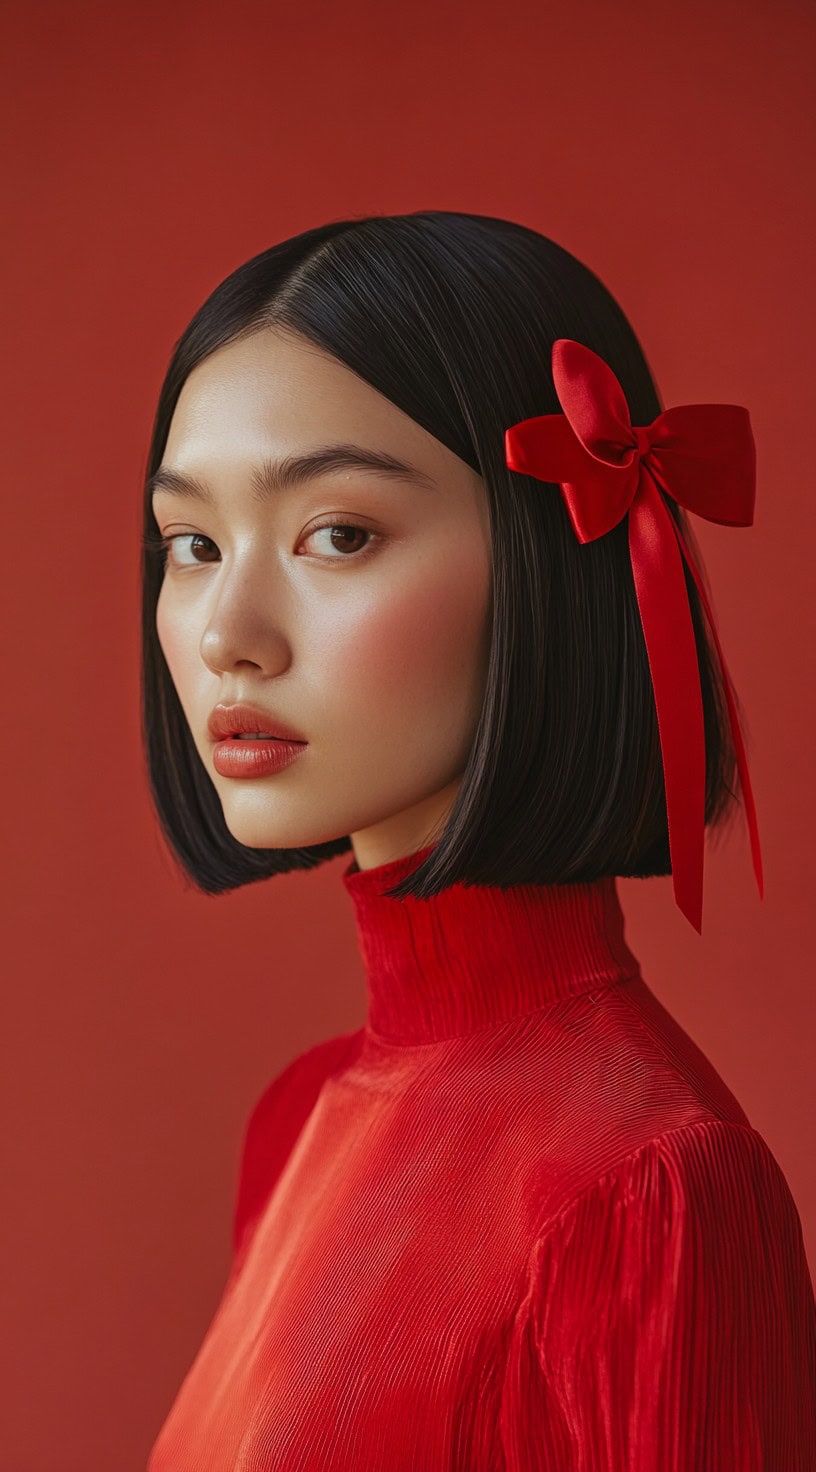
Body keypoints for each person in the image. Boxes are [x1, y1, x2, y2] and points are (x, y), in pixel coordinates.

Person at [142, 211, 815, 1469]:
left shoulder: (651, 1189)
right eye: (192, 543)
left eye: (335, 533)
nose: (228, 628)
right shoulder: (297, 1120)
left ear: (544, 564)